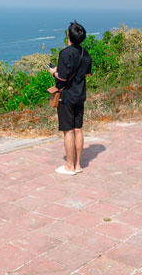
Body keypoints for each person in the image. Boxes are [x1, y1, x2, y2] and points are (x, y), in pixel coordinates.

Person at [49, 21, 92, 175]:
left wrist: (53, 72)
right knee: (78, 130)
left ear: (68, 35)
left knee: (68, 131)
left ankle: (69, 166)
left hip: (67, 96)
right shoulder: (85, 53)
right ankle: (78, 165)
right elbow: (87, 73)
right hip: (80, 95)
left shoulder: (66, 53)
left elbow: (62, 78)